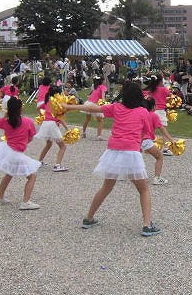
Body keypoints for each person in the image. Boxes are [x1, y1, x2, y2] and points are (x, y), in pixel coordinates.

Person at [63, 82, 161, 237]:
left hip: (113, 151)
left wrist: (69, 107)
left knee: (106, 187)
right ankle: (147, 225)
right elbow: (144, 132)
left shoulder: (116, 107)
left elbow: (90, 108)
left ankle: (88, 218)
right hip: (131, 152)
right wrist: (139, 144)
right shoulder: (143, 112)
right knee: (143, 189)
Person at [0, 97, 41, 209]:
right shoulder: (28, 121)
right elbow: (31, 138)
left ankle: (0, 198)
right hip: (16, 153)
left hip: (8, 151)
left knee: (9, 173)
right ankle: (26, 202)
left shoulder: (6, 121)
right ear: (21, 108)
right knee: (32, 176)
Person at [141, 98, 176, 186]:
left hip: (137, 140)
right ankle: (157, 178)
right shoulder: (154, 115)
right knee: (159, 157)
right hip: (146, 140)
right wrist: (171, 140)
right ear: (153, 107)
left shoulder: (141, 114)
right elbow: (162, 129)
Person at [36, 86, 69, 172]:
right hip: (52, 124)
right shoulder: (57, 103)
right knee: (63, 146)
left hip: (45, 123)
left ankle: (39, 161)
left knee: (49, 144)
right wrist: (67, 129)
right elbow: (60, 117)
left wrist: (42, 116)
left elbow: (38, 108)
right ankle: (57, 165)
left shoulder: (47, 100)